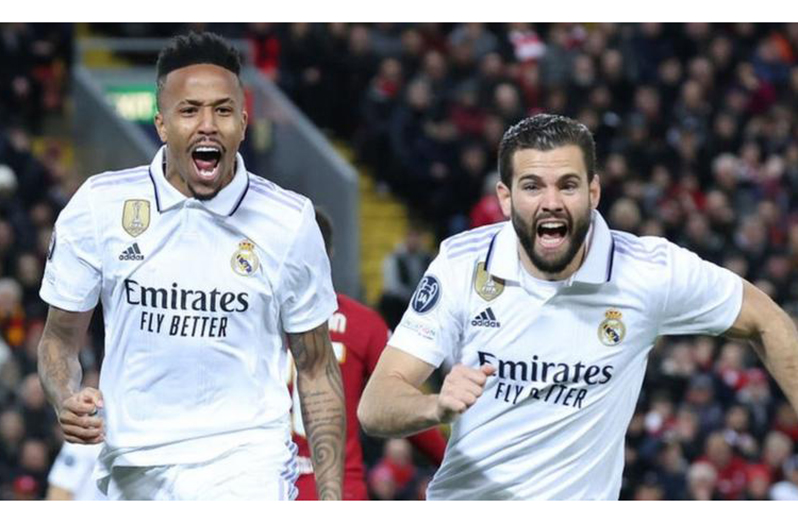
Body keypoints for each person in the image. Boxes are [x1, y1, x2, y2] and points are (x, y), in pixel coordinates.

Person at [358, 113, 798, 500]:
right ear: (505, 197)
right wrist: (436, 406)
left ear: (594, 192)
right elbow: (375, 406)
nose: (551, 202)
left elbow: (767, 320)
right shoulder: (462, 263)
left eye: (567, 185)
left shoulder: (648, 271)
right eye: (532, 186)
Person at [37, 32, 345, 500]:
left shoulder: (288, 221)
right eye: (189, 111)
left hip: (248, 461)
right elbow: (59, 340)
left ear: (243, 123)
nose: (207, 125)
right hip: (134, 464)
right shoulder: (100, 206)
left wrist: (332, 499)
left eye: (223, 110)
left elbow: (317, 367)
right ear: (161, 125)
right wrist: (65, 397)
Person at [289, 210, 446, 500]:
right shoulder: (363, 324)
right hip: (338, 491)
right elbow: (403, 403)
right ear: (329, 254)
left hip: (262, 487)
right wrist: (449, 462)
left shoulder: (250, 322)